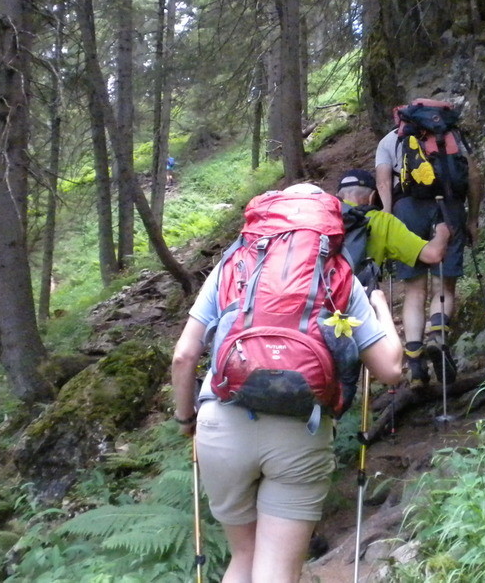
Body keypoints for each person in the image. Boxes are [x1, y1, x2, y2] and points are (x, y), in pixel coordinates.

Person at [170, 184, 403, 583]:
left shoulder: (233, 265)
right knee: (276, 571)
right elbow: (391, 370)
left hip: (221, 422)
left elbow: (184, 356)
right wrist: (380, 305)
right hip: (301, 427)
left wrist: (185, 418)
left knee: (243, 556)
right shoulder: (337, 276)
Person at [375, 99, 483, 389]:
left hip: (407, 210)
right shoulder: (452, 136)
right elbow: (474, 176)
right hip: (449, 208)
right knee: (444, 285)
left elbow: (384, 182)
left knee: (414, 289)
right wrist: (472, 219)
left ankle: (416, 368)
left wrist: (386, 218)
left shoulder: (391, 140)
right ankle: (437, 333)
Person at [335, 168, 451, 289]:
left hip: (318, 295)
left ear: (337, 196)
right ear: (372, 197)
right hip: (356, 298)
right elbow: (433, 254)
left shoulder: (322, 214)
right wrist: (442, 232)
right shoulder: (382, 221)